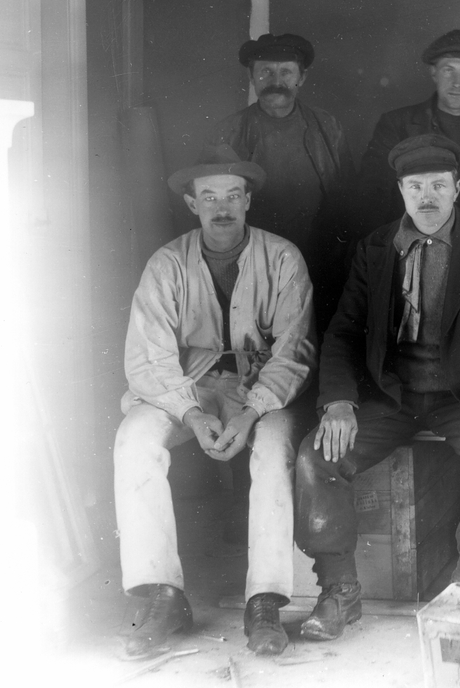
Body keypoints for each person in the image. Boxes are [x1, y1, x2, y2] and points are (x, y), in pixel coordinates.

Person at [295, 135, 460, 642]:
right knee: (317, 456)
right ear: (400, 190)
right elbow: (343, 332)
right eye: (415, 186)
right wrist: (339, 401)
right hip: (391, 399)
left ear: (457, 188)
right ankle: (339, 590)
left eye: (438, 185)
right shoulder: (377, 247)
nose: (427, 197)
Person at [112, 145, 317, 659]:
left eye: (231, 196)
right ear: (192, 204)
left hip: (260, 386)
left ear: (247, 200)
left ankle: (264, 600)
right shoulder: (167, 264)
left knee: (273, 446)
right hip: (189, 384)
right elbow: (149, 356)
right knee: (134, 438)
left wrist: (252, 410)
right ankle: (161, 595)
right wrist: (191, 412)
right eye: (209, 197)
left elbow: (294, 350)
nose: (221, 208)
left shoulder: (283, 257)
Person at [216, 31, 354, 332]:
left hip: (318, 261)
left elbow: (346, 200)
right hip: (252, 263)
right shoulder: (228, 131)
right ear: (251, 77)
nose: (275, 81)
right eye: (265, 71)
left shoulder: (327, 127)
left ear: (301, 77)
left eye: (286, 72)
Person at [358, 29, 460, 231]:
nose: (457, 82)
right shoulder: (396, 124)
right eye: (448, 70)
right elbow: (372, 198)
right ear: (433, 73)